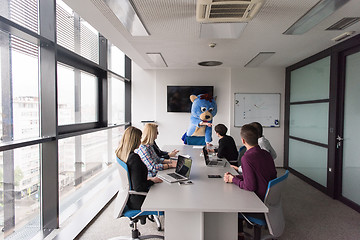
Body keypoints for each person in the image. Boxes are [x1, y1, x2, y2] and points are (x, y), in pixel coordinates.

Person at [224, 124, 277, 201]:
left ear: (243, 140)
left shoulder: (247, 158)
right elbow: (259, 176)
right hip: (269, 194)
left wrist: (233, 180)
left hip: (258, 198)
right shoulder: (266, 153)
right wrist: (235, 177)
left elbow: (250, 186)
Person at [115, 126, 162, 210]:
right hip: (140, 199)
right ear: (135, 140)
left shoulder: (121, 154)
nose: (141, 141)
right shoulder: (134, 158)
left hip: (130, 198)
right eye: (139, 138)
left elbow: (134, 178)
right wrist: (152, 181)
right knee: (167, 192)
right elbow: (138, 187)